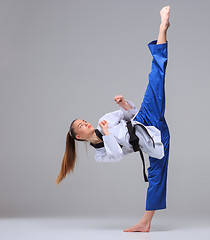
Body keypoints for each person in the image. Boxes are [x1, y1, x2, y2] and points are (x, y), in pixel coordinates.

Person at [56, 6, 171, 232]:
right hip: (153, 141)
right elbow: (117, 154)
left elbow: (129, 114)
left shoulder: (102, 120)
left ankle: (162, 29)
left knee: (155, 77)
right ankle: (145, 223)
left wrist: (122, 103)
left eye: (83, 120)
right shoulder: (100, 155)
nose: (86, 123)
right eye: (82, 125)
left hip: (144, 118)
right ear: (80, 136)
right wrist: (107, 134)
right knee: (157, 175)